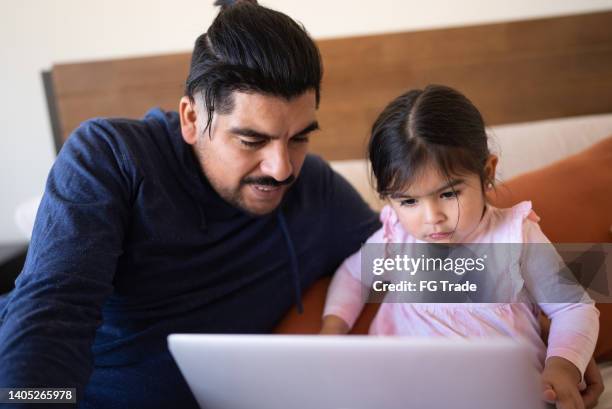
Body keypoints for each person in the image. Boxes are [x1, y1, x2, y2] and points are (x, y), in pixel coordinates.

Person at [0, 1, 381, 408]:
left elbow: (411, 265)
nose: (282, 168)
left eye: (300, 138)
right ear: (190, 118)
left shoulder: (314, 188)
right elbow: (52, 316)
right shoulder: (111, 158)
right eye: (251, 141)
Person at [321, 85, 601, 409]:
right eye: (409, 201)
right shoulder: (395, 237)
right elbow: (352, 276)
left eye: (449, 194)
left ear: (487, 173)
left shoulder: (516, 237)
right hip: (398, 392)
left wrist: (563, 365)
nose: (433, 218)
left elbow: (573, 308)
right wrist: (333, 328)